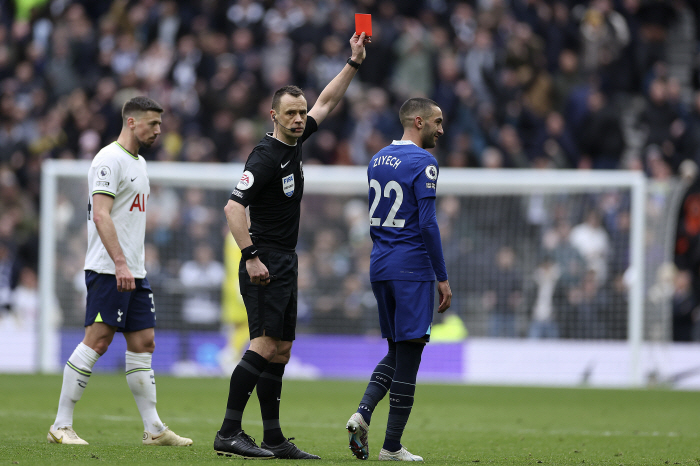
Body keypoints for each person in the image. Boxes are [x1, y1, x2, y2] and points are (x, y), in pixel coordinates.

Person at [215, 32, 370, 460]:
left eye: (301, 113)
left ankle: (272, 438)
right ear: (274, 116)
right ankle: (228, 431)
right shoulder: (265, 156)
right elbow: (232, 209)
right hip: (265, 260)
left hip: (285, 259)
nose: (300, 118)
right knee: (263, 345)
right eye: (291, 113)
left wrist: (353, 64)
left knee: (281, 350)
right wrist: (251, 257)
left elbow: (327, 102)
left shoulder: (295, 142)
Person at [47, 96, 192, 447]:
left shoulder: (139, 162)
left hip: (134, 271)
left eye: (159, 124)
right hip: (109, 269)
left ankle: (154, 429)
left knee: (144, 343)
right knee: (97, 340)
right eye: (152, 124)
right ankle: (60, 425)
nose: (158, 130)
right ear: (131, 122)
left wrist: (132, 264)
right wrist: (120, 262)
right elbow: (101, 215)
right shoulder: (108, 159)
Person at [346, 97, 452, 461]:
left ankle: (363, 412)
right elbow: (427, 223)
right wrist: (442, 275)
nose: (441, 129)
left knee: (395, 350)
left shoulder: (376, 160)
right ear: (418, 121)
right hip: (412, 270)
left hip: (381, 266)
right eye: (437, 122)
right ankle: (391, 447)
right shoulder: (425, 162)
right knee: (410, 356)